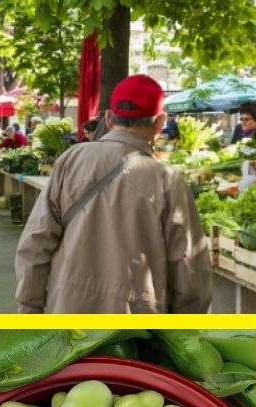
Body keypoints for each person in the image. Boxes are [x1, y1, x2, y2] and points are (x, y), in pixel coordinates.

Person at [15, 74, 212, 314]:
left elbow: (36, 240)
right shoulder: (167, 180)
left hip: (68, 311)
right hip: (136, 325)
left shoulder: (71, 160)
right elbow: (189, 266)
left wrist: (29, 307)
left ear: (108, 118)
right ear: (160, 122)